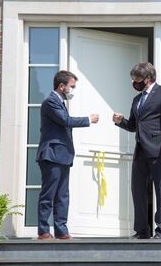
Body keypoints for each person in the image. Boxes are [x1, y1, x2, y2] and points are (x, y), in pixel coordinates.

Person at [112, 62, 161, 239]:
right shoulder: (137, 100)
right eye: (133, 78)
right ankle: (142, 231)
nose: (134, 82)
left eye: (137, 78)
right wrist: (121, 122)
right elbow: (135, 126)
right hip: (141, 151)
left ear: (148, 78)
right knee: (138, 191)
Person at [36, 70, 99, 240]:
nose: (73, 89)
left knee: (63, 195)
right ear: (61, 86)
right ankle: (43, 230)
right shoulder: (50, 102)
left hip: (63, 155)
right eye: (72, 86)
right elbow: (66, 120)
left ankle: (61, 230)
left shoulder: (60, 102)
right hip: (51, 154)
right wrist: (88, 119)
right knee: (48, 194)